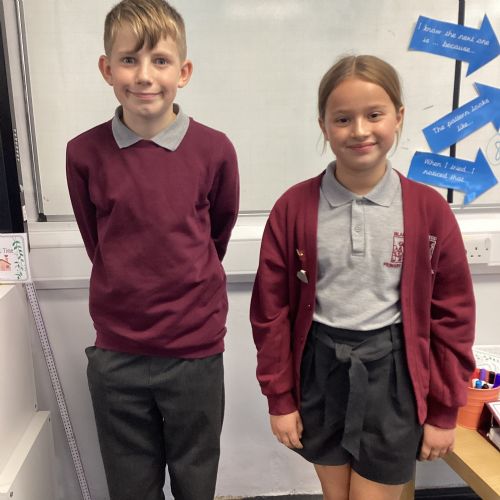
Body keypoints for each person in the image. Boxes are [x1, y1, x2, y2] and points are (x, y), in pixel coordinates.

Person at [250, 55, 475, 500]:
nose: (359, 130)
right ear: (323, 125)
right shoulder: (293, 208)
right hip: (320, 372)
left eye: (374, 114)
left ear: (398, 117)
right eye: (342, 118)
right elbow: (270, 313)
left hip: (394, 378)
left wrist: (444, 410)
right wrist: (281, 399)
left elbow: (453, 317)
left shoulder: (429, 210)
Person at [66, 1, 239, 499]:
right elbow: (97, 240)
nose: (144, 76)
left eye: (160, 61)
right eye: (129, 60)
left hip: (194, 351)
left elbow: (217, 233)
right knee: (130, 484)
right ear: (107, 69)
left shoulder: (214, 150)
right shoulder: (83, 153)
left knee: (195, 479)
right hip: (117, 352)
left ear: (183, 72)